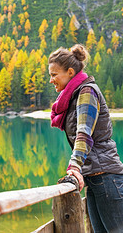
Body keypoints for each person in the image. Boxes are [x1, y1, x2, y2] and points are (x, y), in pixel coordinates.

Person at [49, 44, 123, 233]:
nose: (51, 80)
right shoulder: (75, 96)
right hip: (96, 179)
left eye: (54, 74)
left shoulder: (87, 92)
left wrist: (74, 167)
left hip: (106, 178)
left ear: (70, 72)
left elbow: (84, 134)